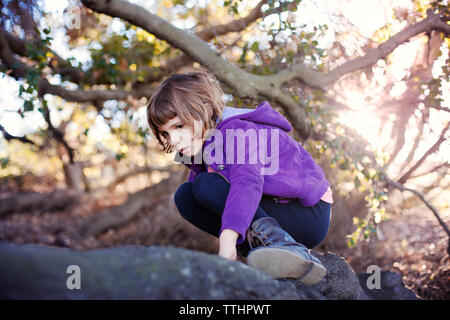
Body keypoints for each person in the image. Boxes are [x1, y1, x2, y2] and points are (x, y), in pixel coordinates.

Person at [146, 68, 333, 285]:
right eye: (166, 133)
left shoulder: (238, 130)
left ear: (204, 111)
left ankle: (283, 246)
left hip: (308, 212)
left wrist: (227, 240)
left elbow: (247, 183)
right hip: (276, 208)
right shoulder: (202, 149)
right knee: (186, 196)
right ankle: (261, 251)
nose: (174, 139)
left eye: (179, 126)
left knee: (206, 186)